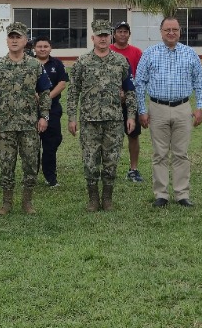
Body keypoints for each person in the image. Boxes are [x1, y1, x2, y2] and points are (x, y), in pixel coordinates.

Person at [134, 16, 202, 208]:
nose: (171, 33)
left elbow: (199, 83)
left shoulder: (190, 54)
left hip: (183, 109)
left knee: (181, 154)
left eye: (175, 29)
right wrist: (142, 110)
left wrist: (199, 107)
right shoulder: (149, 54)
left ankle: (182, 194)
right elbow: (139, 84)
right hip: (157, 108)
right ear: (161, 32)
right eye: (167, 30)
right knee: (160, 154)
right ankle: (161, 194)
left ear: (180, 31)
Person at [69, 20, 136, 211]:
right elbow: (73, 92)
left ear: (111, 37)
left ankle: (107, 198)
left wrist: (131, 115)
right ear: (93, 38)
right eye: (99, 35)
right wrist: (72, 118)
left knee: (111, 160)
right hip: (89, 120)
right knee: (90, 161)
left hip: (114, 119)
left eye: (106, 35)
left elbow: (130, 90)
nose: (103, 39)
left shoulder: (121, 61)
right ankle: (92, 198)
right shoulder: (83, 62)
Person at [0, 22, 50, 216]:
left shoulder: (35, 65)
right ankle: (6, 203)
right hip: (5, 126)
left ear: (25, 41)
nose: (14, 41)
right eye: (11, 37)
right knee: (6, 164)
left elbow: (45, 92)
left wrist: (44, 116)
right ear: (7, 40)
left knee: (31, 163)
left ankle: (27, 201)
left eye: (18, 37)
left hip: (29, 124)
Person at [111, 21, 145, 184]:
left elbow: (141, 76)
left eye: (125, 31)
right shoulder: (108, 51)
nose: (122, 34)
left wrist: (128, 92)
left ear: (129, 34)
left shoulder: (137, 52)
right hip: (111, 102)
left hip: (131, 101)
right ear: (114, 34)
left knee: (133, 135)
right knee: (111, 137)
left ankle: (133, 169)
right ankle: (110, 169)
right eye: (120, 31)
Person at [34, 36, 69, 188]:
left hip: (53, 110)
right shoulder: (28, 63)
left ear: (50, 48)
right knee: (32, 146)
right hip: (31, 110)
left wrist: (46, 98)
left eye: (45, 46)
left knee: (50, 144)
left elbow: (62, 83)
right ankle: (30, 177)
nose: (42, 49)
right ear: (34, 48)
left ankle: (50, 177)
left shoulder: (57, 64)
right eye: (39, 46)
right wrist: (37, 98)